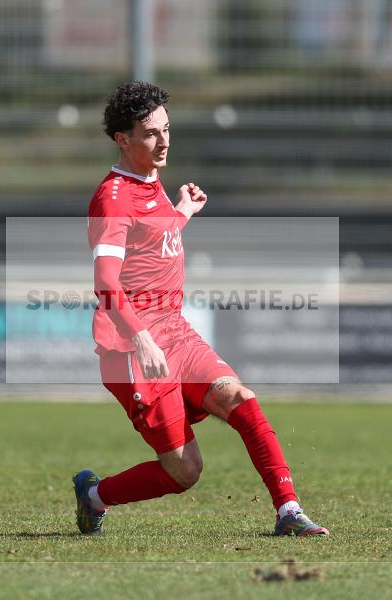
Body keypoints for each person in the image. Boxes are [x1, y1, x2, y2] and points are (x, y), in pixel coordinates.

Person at [73, 81, 329, 537]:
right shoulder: (112, 199)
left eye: (167, 129)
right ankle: (94, 496)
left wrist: (180, 213)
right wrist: (141, 337)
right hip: (133, 350)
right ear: (123, 139)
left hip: (174, 331)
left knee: (241, 399)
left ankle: (288, 510)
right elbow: (106, 283)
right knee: (184, 471)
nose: (164, 140)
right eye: (151, 133)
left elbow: (148, 242)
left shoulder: (151, 181)